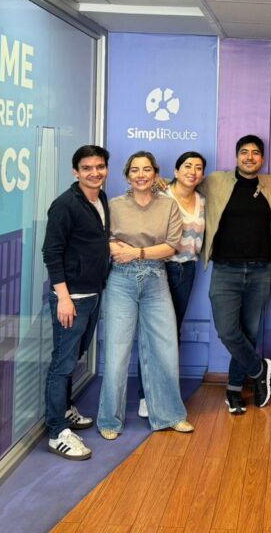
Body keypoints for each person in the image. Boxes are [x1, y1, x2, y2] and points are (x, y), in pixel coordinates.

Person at [97, 151, 193, 438]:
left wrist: (136, 252)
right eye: (135, 170)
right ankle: (109, 421)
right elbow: (106, 241)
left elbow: (171, 246)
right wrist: (123, 251)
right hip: (121, 280)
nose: (141, 175)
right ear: (128, 175)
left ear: (155, 174)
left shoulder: (168, 205)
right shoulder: (114, 205)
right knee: (116, 354)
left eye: (147, 169)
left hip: (155, 279)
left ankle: (170, 415)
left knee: (165, 350)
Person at [201, 135, 271, 414]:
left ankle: (234, 389)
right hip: (226, 269)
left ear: (262, 158)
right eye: (244, 152)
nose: (250, 157)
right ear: (236, 156)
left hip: (260, 270)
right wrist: (157, 182)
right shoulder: (216, 181)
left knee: (249, 332)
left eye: (255, 153)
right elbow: (184, 187)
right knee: (227, 331)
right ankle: (260, 369)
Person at [41, 145, 112, 461]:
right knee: (63, 363)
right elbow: (51, 252)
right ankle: (57, 432)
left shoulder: (100, 198)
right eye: (87, 168)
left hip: (93, 294)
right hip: (72, 299)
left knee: (74, 356)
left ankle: (65, 408)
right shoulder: (65, 205)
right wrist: (64, 298)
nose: (94, 173)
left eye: (100, 167)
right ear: (75, 171)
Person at [135, 151, 206, 419]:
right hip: (159, 269)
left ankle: (164, 393)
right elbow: (135, 201)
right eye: (187, 166)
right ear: (175, 171)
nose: (192, 171)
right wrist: (156, 180)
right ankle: (146, 395)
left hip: (187, 270)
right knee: (153, 333)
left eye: (198, 168)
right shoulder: (161, 194)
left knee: (171, 333)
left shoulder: (202, 200)